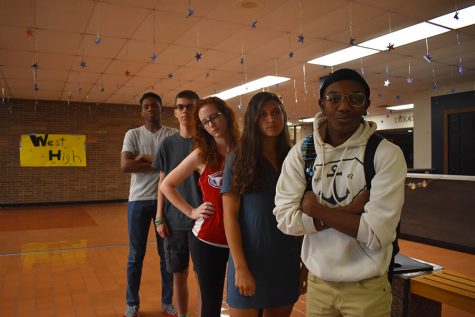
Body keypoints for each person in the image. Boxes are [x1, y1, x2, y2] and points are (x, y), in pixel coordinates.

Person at [273, 68, 406, 317]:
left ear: (366, 105)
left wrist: (318, 210)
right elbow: (284, 220)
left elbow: (378, 233)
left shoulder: (385, 154)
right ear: (322, 105)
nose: (344, 106)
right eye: (334, 98)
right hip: (319, 284)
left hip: (367, 288)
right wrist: (348, 212)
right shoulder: (302, 154)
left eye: (354, 98)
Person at [222, 92, 302, 317]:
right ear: (253, 119)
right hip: (249, 258)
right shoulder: (239, 157)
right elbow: (229, 216)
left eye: (276, 112)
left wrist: (304, 265)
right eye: (263, 114)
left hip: (285, 258)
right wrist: (240, 267)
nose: (271, 119)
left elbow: (302, 213)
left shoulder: (293, 157)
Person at [160, 97, 240, 317]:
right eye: (205, 122)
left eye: (215, 117)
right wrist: (191, 211)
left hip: (242, 238)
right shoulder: (201, 154)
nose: (211, 124)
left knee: (244, 298)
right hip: (207, 240)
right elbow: (167, 185)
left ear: (227, 114)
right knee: (210, 302)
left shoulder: (245, 149)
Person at [120, 92, 178, 317]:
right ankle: (132, 303)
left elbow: (177, 165)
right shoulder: (133, 134)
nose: (151, 109)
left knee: (167, 255)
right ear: (141, 111)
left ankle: (167, 302)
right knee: (136, 255)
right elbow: (125, 166)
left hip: (166, 201)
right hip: (138, 202)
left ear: (161, 108)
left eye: (155, 105)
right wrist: (160, 162)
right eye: (146, 106)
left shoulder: (172, 134)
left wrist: (143, 158)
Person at [152, 90, 202, 317]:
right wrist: (160, 217)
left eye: (190, 106)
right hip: (175, 222)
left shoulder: (206, 142)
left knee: (204, 277)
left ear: (197, 109)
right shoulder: (167, 145)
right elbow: (162, 183)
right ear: (174, 112)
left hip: (203, 221)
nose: (185, 111)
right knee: (179, 275)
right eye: (180, 107)